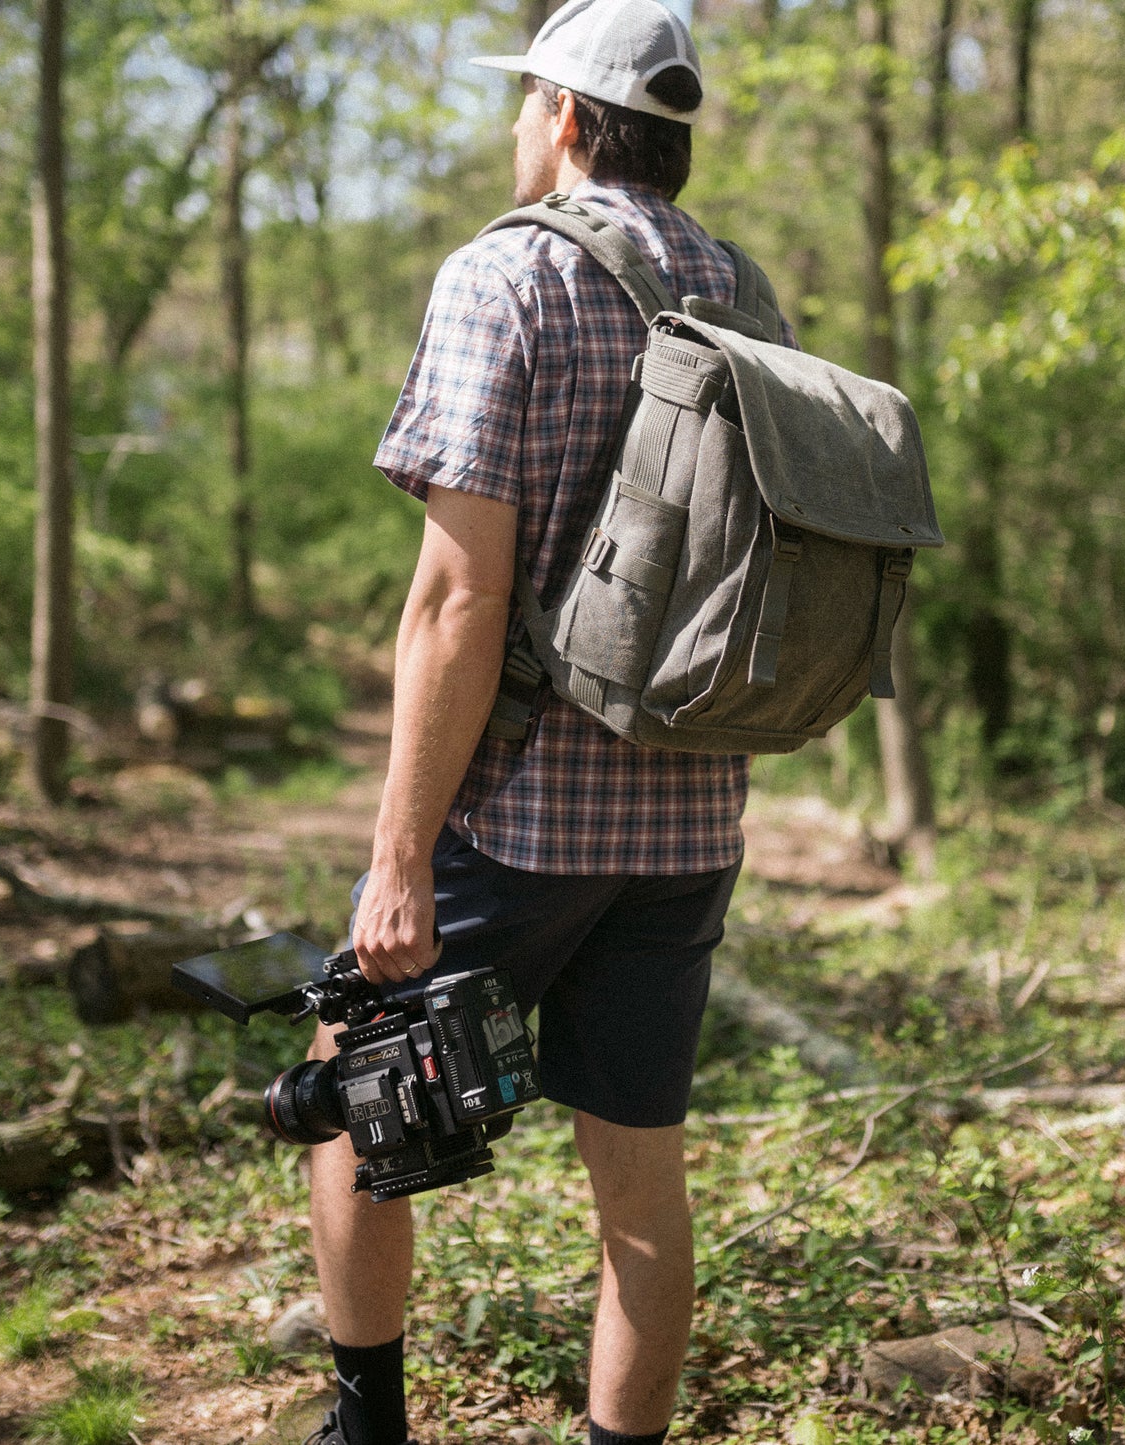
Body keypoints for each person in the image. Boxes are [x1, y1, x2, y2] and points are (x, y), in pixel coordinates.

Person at [303, 3, 793, 1442]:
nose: (516, 127)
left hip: (514, 814)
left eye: (524, 104)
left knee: (355, 1095)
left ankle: (364, 1424)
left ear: (568, 121)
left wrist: (398, 860)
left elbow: (457, 597)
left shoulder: (501, 275)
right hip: (692, 814)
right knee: (639, 1180)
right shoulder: (747, 292)